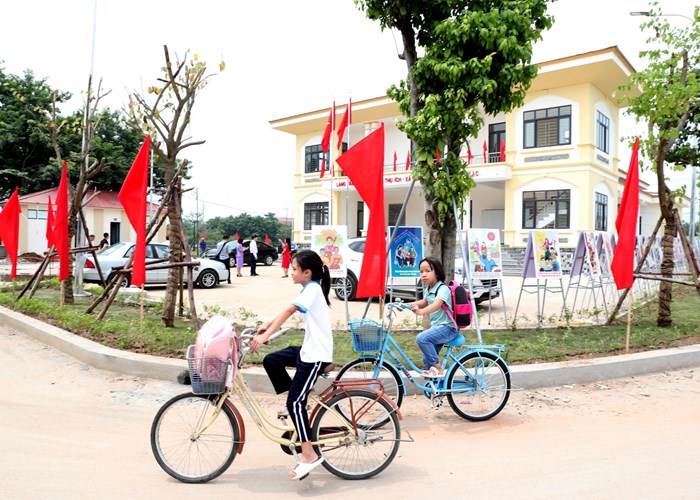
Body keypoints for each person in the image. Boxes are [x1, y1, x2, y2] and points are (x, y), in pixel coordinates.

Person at [251, 249, 332, 480]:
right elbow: (290, 312)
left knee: (294, 402)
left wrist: (266, 335)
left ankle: (309, 455)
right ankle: (297, 404)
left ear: (307, 272)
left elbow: (289, 310)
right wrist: (267, 326)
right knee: (271, 360)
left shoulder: (313, 289)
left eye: (295, 269)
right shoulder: (309, 288)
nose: (291, 272)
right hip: (308, 351)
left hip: (316, 355)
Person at [408, 257, 458, 378]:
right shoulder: (429, 288)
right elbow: (426, 301)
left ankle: (438, 369)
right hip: (438, 327)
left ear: (436, 272)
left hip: (448, 328)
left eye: (427, 271)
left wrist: (420, 312)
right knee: (426, 358)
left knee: (422, 339)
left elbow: (436, 305)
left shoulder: (442, 289)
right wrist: (408, 305)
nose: (423, 274)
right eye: (421, 271)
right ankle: (438, 388)